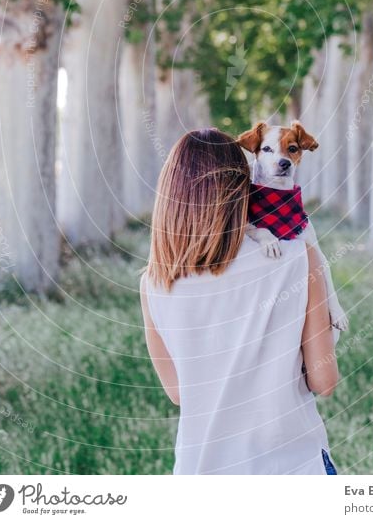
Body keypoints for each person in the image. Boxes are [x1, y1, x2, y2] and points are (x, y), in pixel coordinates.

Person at [140, 128, 339, 475]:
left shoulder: (155, 281)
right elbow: (324, 381)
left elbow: (179, 392)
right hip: (291, 470)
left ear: (170, 198)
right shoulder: (299, 257)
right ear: (242, 188)